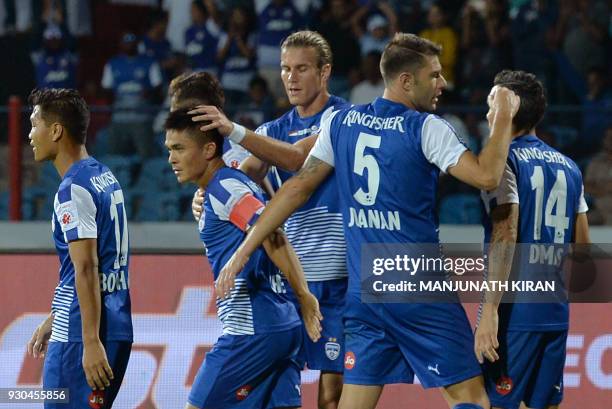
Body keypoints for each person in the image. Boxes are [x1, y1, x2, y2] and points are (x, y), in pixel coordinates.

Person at [215, 33, 521, 409]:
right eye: (435, 75)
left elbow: (296, 190)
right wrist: (504, 114)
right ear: (406, 81)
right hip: (418, 290)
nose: (443, 84)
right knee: (471, 398)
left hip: (365, 295)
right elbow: (488, 176)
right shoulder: (425, 128)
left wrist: (244, 249)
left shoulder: (342, 122)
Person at [189, 30, 357, 409]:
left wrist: (234, 130)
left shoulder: (344, 119)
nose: (291, 78)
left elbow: (298, 158)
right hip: (290, 279)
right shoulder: (271, 131)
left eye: (301, 69)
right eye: (285, 69)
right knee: (283, 392)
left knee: (331, 396)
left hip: (339, 277)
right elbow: (237, 180)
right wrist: (204, 194)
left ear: (325, 72)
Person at [163, 108, 322, 409]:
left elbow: (273, 234)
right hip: (282, 327)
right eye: (169, 150)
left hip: (250, 331)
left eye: (179, 149)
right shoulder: (229, 183)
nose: (171, 158)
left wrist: (304, 294)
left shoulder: (224, 189)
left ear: (209, 149)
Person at [476, 70, 591, 409]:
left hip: (515, 313)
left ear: (506, 110)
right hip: (555, 309)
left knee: (498, 403)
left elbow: (505, 235)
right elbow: (582, 249)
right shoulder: (570, 167)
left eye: (491, 105)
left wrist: (490, 311)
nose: (486, 113)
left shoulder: (503, 162)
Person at [26, 88, 132, 408]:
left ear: (56, 130)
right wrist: (55, 316)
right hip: (116, 325)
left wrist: (89, 340)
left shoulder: (72, 189)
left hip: (81, 335)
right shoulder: (103, 174)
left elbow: (87, 267)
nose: (30, 135)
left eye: (35, 124)